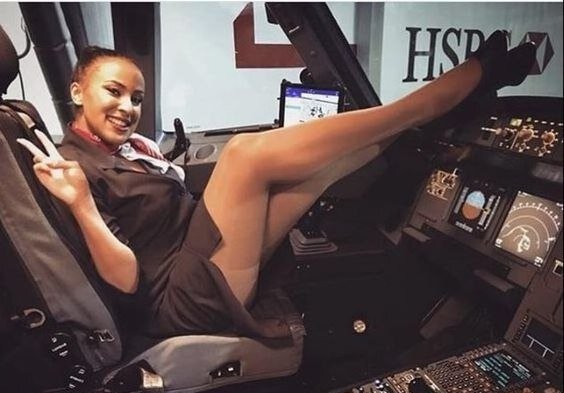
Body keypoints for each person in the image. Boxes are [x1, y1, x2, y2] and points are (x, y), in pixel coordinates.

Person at [18, 31, 536, 338]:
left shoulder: (125, 151)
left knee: (320, 172)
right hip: (179, 296)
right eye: (113, 92)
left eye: (136, 98)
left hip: (196, 253)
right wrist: (83, 206)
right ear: (77, 91)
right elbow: (127, 280)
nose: (127, 107)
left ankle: (425, 120)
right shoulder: (75, 169)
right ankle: (434, 99)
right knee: (245, 153)